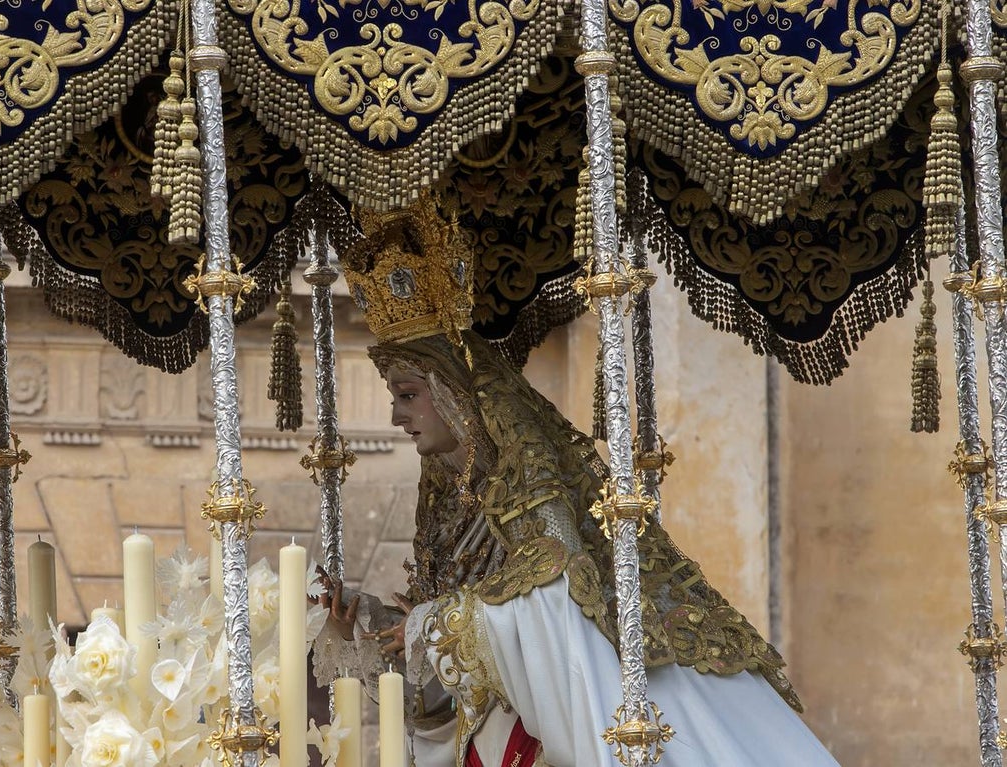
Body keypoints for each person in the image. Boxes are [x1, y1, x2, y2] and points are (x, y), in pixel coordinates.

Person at [312, 198, 840, 766]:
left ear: (454, 395)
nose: (396, 416)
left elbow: (558, 597)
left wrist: (442, 622)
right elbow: (452, 679)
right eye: (395, 398)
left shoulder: (525, 490)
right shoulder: (448, 505)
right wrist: (374, 630)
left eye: (408, 395)